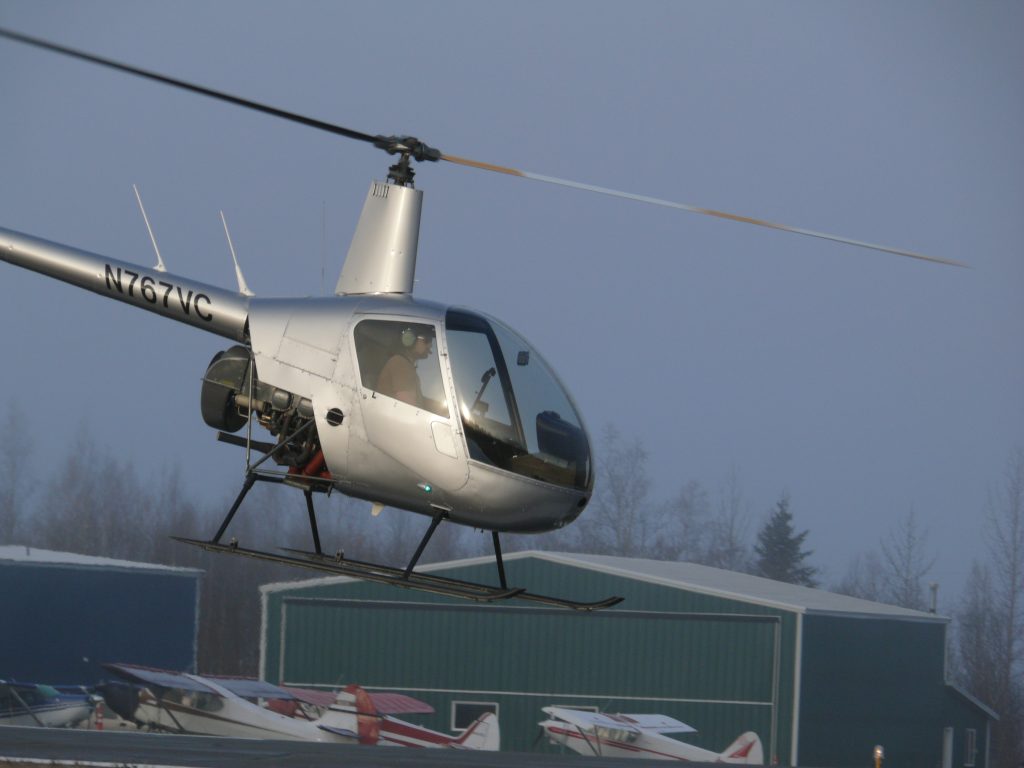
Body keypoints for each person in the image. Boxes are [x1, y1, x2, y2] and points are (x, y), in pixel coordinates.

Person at [376, 326, 435, 409]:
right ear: (410, 339)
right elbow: (408, 408)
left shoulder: (406, 365)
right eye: (426, 340)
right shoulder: (400, 363)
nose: (430, 345)